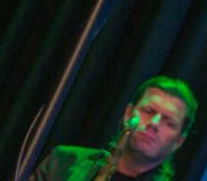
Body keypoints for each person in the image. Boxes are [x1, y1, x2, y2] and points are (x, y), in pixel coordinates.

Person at [30, 76, 198, 181]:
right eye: (149, 111)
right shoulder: (63, 160)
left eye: (168, 121)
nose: (154, 123)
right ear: (128, 113)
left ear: (179, 141)